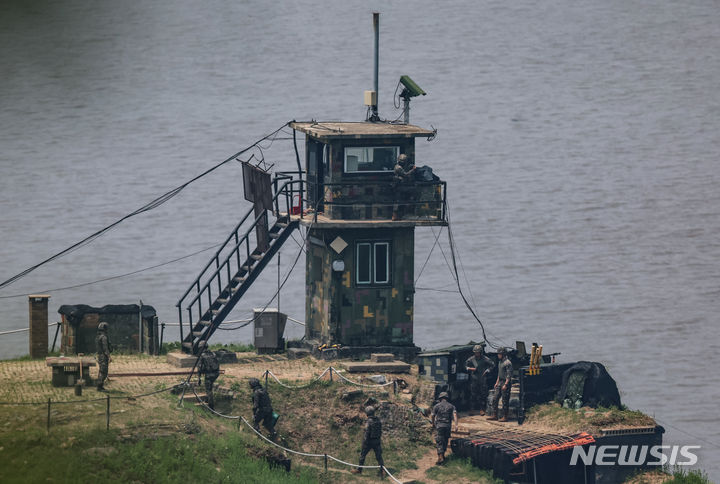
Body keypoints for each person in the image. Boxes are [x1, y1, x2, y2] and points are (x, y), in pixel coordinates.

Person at [351, 406, 385, 478]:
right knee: (379, 457)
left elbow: (367, 432)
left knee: (362, 455)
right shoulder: (378, 420)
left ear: (367, 413)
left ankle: (359, 470)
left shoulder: (368, 421)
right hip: (377, 440)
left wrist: (364, 442)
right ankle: (382, 471)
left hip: (369, 441)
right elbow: (380, 431)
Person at [465, 343, 495, 415]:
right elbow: (465, 365)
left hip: (482, 379)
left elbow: (493, 365)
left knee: (483, 395)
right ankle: (472, 409)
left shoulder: (485, 359)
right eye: (475, 352)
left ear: (481, 352)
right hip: (474, 379)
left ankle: (482, 409)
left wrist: (488, 370)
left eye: (478, 352)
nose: (477, 354)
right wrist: (469, 368)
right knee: (473, 395)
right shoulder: (471, 359)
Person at [487, 347, 513, 422]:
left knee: (505, 400)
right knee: (495, 398)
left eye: (499, 354)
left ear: (503, 354)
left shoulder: (507, 363)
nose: (498, 355)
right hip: (500, 381)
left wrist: (506, 384)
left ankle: (505, 416)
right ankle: (495, 415)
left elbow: (509, 375)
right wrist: (496, 382)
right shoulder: (500, 362)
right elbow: (499, 373)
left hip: (505, 382)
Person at [431, 392, 458, 465]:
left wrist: (433, 423)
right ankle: (443, 455)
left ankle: (440, 457)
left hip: (439, 426)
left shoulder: (436, 406)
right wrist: (456, 425)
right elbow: (455, 415)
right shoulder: (451, 406)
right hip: (447, 426)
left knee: (439, 440)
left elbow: (433, 415)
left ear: (440, 398)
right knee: (445, 440)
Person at [392, 153, 416, 221]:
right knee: (398, 201)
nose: (403, 162)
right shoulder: (398, 167)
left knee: (401, 202)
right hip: (398, 187)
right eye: (402, 161)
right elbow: (405, 175)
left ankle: (400, 216)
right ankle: (395, 216)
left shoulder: (400, 167)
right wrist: (412, 170)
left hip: (401, 186)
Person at [198, 345, 220, 410]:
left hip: (208, 374)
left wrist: (199, 378)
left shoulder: (202, 355)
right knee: (209, 386)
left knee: (208, 390)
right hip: (216, 373)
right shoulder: (213, 354)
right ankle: (207, 399)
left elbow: (199, 367)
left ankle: (211, 407)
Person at [95, 322, 112, 391]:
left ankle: (100, 386)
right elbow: (105, 348)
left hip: (100, 355)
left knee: (103, 370)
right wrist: (109, 356)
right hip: (103, 356)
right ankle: (99, 386)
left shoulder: (98, 336)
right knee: (103, 371)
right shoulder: (104, 337)